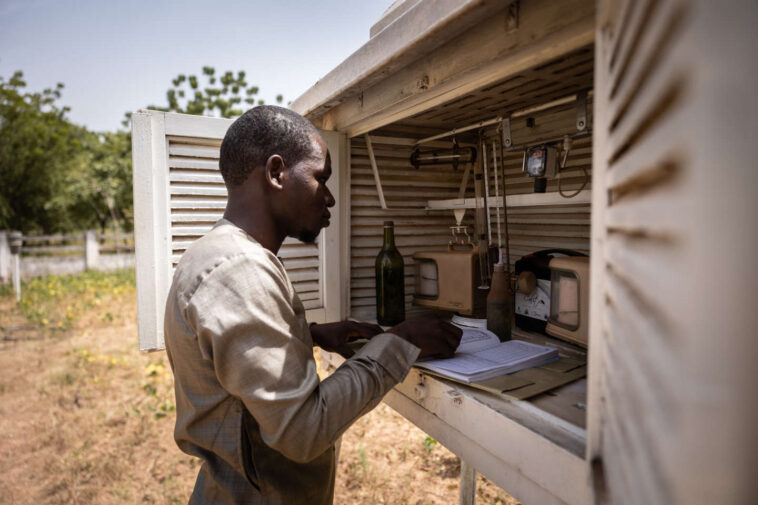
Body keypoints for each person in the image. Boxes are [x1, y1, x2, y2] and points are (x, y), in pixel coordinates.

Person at [164, 105, 462, 505]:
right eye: (321, 178)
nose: (330, 198)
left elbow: (231, 360)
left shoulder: (216, 253)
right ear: (275, 173)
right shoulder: (242, 270)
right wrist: (402, 342)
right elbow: (303, 431)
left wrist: (312, 334)